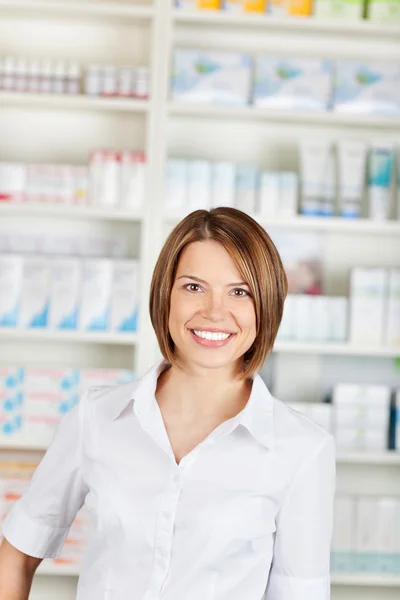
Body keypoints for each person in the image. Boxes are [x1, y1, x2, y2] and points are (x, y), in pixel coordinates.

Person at [0, 207, 336, 600]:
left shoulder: (302, 449)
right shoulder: (97, 418)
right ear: (166, 295)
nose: (214, 311)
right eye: (194, 287)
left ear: (266, 305)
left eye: (239, 291)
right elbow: (16, 556)